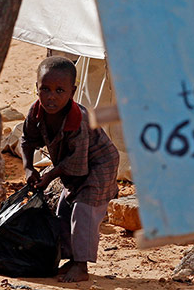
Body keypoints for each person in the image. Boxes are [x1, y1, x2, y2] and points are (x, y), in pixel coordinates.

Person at [21, 56, 120, 283]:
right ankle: (71, 259)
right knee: (64, 211)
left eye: (59, 90)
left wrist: (48, 176)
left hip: (99, 166)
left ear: (72, 91)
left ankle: (82, 265)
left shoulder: (79, 119)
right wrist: (28, 168)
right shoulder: (36, 112)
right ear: (36, 88)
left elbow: (77, 161)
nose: (51, 96)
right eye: (44, 89)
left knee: (83, 211)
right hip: (73, 168)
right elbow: (27, 141)